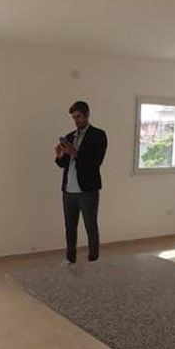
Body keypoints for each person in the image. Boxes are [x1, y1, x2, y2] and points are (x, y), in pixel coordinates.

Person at [54, 101, 108, 265]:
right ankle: (70, 259)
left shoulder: (98, 135)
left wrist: (75, 153)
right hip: (68, 190)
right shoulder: (70, 136)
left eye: (78, 116)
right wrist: (59, 156)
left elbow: (96, 161)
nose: (76, 121)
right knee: (70, 228)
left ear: (87, 114)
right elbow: (63, 164)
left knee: (90, 226)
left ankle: (94, 260)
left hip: (87, 190)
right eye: (73, 118)